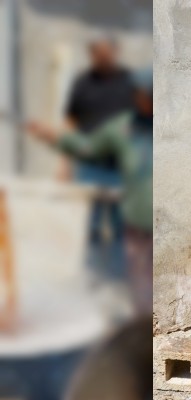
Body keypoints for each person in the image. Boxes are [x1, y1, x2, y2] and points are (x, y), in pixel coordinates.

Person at [28, 68, 153, 316]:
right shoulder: (122, 129)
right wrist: (54, 137)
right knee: (139, 289)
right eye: (140, 94)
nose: (144, 100)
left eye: (148, 95)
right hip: (137, 227)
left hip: (165, 224)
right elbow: (88, 148)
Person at [64, 36, 135, 280]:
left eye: (107, 53)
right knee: (91, 223)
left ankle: (117, 280)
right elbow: (71, 121)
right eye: (97, 54)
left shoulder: (128, 82)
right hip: (89, 166)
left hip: (118, 167)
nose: (102, 58)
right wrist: (65, 163)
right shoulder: (82, 83)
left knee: (118, 225)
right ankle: (92, 277)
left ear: (114, 53)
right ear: (92, 55)